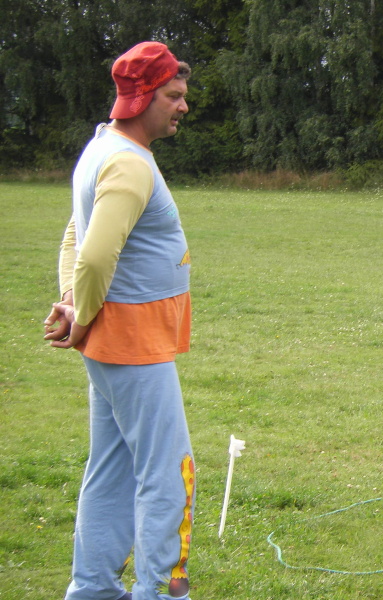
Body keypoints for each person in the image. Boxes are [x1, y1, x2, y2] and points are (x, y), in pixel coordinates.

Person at [43, 41, 196, 600]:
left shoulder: (104, 148)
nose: (182, 107)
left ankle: (91, 590)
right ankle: (159, 592)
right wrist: (79, 316)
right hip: (130, 345)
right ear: (142, 97)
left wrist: (71, 301)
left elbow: (75, 236)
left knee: (109, 471)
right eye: (174, 96)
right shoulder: (129, 163)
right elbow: (95, 253)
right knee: (170, 474)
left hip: (115, 347)